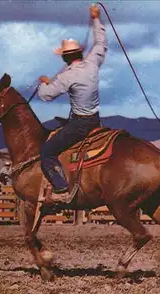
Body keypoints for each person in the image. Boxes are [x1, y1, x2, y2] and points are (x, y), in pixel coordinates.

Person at [37, 4, 107, 203]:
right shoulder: (93, 62)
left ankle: (61, 188)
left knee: (47, 151)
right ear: (80, 53)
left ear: (65, 57)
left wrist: (45, 83)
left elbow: (46, 96)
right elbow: (101, 41)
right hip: (95, 119)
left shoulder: (68, 76)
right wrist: (96, 18)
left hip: (79, 124)